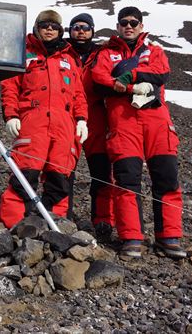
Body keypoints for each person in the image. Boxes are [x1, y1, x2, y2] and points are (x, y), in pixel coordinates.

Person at [91, 6, 186, 259]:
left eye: (134, 22)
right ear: (118, 26)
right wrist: (130, 87)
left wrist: (128, 75)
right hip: (123, 124)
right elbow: (99, 79)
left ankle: (169, 237)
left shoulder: (154, 51)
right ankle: (131, 237)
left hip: (157, 121)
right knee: (127, 180)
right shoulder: (106, 53)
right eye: (124, 22)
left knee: (166, 178)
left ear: (141, 26)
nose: (129, 26)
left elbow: (161, 73)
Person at [0, 9, 88, 228]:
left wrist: (82, 119)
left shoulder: (69, 58)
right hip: (32, 123)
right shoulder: (23, 53)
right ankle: (15, 226)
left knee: (59, 179)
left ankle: (54, 227)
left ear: (60, 31)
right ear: (36, 27)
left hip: (64, 126)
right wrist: (11, 115)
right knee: (24, 175)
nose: (49, 29)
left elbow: (78, 94)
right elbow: (10, 86)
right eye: (45, 25)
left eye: (54, 27)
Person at [66, 13, 115, 243]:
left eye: (85, 27)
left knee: (102, 171)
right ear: (69, 30)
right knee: (63, 169)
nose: (81, 31)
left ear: (92, 30)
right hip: (68, 116)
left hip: (96, 116)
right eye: (76, 27)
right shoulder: (62, 52)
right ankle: (62, 215)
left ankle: (103, 220)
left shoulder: (102, 53)